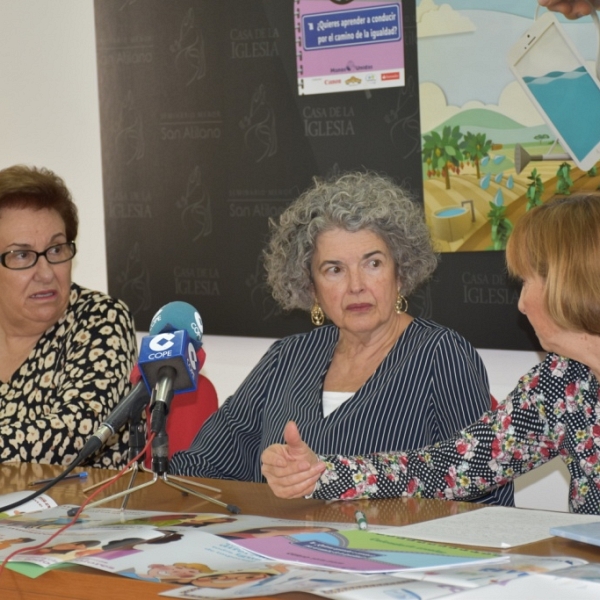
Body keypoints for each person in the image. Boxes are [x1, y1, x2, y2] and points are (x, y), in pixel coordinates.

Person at [170, 171, 513, 506]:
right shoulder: (287, 357)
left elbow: (487, 492)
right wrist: (146, 481)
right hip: (285, 554)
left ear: (400, 271)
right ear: (311, 287)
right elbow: (205, 464)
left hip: (396, 557)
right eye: (334, 270)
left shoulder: (442, 355)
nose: (356, 286)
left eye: (373, 264)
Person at [261, 193, 600, 515]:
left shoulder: (444, 351)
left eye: (528, 281)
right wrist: (321, 472)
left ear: (572, 283)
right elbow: (452, 468)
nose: (521, 304)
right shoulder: (564, 381)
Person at [0, 165, 137, 469]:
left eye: (56, 249)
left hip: (78, 509)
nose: (46, 272)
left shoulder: (101, 319)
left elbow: (76, 435)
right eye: (22, 255)